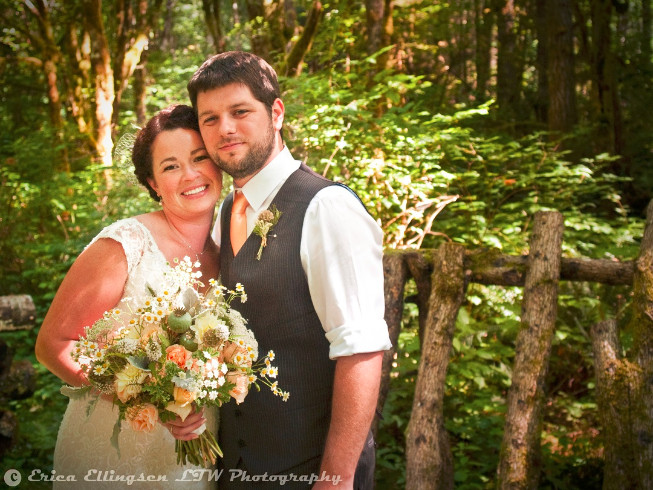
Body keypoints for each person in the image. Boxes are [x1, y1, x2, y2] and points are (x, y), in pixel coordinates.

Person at [187, 51, 392, 489]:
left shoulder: (326, 207)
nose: (224, 128)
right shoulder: (227, 212)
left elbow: (361, 351)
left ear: (275, 112)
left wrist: (334, 481)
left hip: (312, 473)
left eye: (240, 111)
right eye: (210, 118)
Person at [35, 104, 221, 489]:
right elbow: (54, 346)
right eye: (170, 166)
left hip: (194, 462)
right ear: (152, 182)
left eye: (199, 157)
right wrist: (145, 401)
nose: (191, 174)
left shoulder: (231, 245)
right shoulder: (125, 243)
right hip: (113, 455)